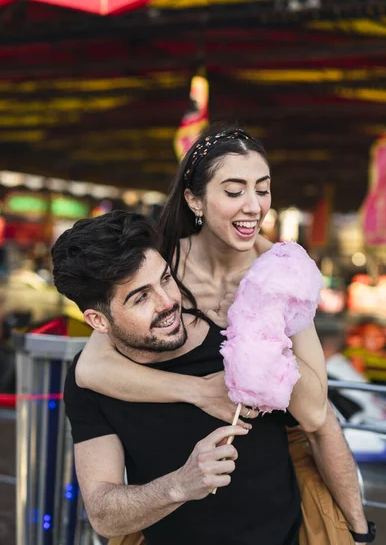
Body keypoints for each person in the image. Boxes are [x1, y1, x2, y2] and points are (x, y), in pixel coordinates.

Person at [75, 126, 372, 544]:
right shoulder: (163, 267)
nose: (254, 207)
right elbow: (91, 368)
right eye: (234, 191)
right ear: (194, 199)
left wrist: (266, 321)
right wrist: (199, 391)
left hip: (274, 516)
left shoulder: (283, 271)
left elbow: (314, 414)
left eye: (263, 190)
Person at [56, 211, 314, 544]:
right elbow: (103, 514)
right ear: (98, 321)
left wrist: (359, 531)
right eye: (141, 297)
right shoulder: (89, 385)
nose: (168, 302)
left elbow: (319, 424)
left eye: (165, 279)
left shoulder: (231, 336)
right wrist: (180, 484)